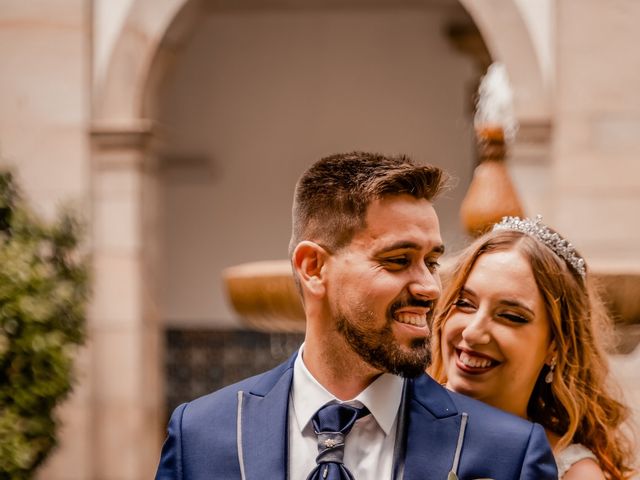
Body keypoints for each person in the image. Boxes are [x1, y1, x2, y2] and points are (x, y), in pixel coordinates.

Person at [155, 152, 557, 479]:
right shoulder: (201, 434)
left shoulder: (507, 454)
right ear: (313, 267)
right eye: (398, 260)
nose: (430, 288)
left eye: (431, 262)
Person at [430, 215, 637, 479]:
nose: (472, 332)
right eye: (465, 303)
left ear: (555, 346)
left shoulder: (572, 472)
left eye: (511, 316)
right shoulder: (391, 419)